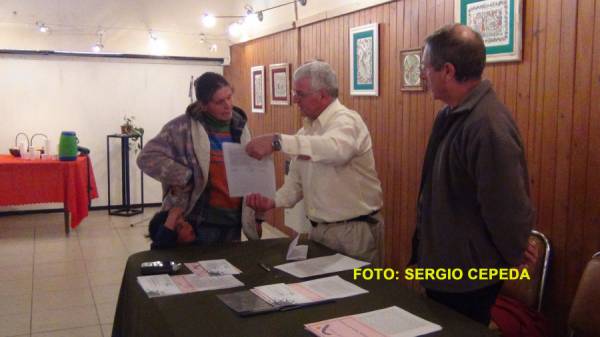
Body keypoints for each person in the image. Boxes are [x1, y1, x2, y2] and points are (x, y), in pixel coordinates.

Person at [410, 24, 534, 325]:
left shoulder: (487, 124)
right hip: (446, 267)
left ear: (448, 71)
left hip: (468, 275)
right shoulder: (451, 113)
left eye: (426, 68)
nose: (423, 76)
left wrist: (515, 250)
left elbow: (505, 203)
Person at [245, 60, 384, 264]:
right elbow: (296, 185)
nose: (294, 99)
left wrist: (277, 141)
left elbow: (334, 150)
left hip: (353, 232)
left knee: (356, 293)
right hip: (319, 231)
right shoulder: (306, 132)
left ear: (323, 95)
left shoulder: (348, 122)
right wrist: (273, 201)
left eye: (300, 94)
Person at [137, 72, 261, 247]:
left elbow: (249, 171)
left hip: (233, 220)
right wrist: (185, 176)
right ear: (203, 105)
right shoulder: (181, 128)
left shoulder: (240, 127)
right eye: (219, 102)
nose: (228, 106)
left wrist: (257, 216)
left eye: (229, 97)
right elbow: (146, 158)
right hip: (196, 221)